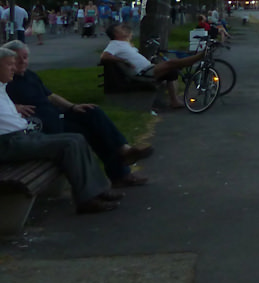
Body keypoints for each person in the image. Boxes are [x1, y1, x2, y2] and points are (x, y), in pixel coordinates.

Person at [3, 40, 150, 188]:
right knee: (92, 132)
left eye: (25, 57)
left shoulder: (29, 75)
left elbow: (51, 96)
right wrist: (15, 107)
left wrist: (73, 106)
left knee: (92, 112)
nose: (22, 61)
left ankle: (124, 150)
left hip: (57, 116)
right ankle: (119, 175)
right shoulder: (6, 80)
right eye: (16, 59)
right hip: (42, 127)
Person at [0, 47, 122, 214]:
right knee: (69, 144)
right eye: (9, 65)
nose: (14, 68)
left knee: (77, 138)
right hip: (8, 143)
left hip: (22, 135)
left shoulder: (3, 86)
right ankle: (87, 200)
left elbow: (47, 96)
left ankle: (99, 190)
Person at [100, 23, 207, 109]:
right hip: (142, 72)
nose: (125, 30)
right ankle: (198, 57)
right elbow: (104, 56)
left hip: (148, 69)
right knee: (171, 63)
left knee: (172, 71)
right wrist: (123, 60)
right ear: (115, 33)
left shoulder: (124, 44)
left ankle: (174, 101)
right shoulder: (114, 44)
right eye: (121, 29)